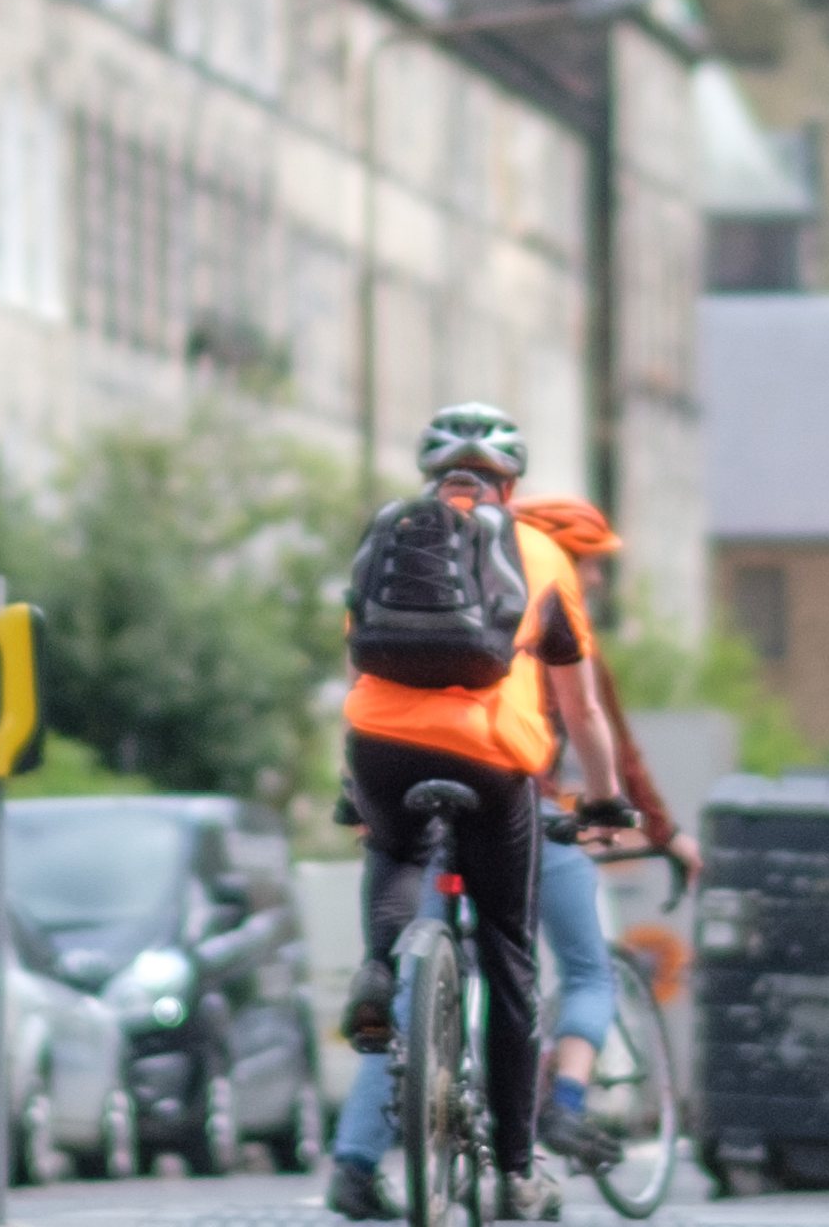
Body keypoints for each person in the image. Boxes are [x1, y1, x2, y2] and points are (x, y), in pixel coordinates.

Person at [327, 492, 700, 1220]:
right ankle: (527, 1153)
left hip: (381, 751)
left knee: (402, 914)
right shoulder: (543, 568)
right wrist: (625, 812)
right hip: (504, 775)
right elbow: (599, 724)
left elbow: (357, 667)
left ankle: (374, 1008)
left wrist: (355, 786)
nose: (595, 578)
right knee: (523, 963)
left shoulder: (402, 542)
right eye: (595, 563)